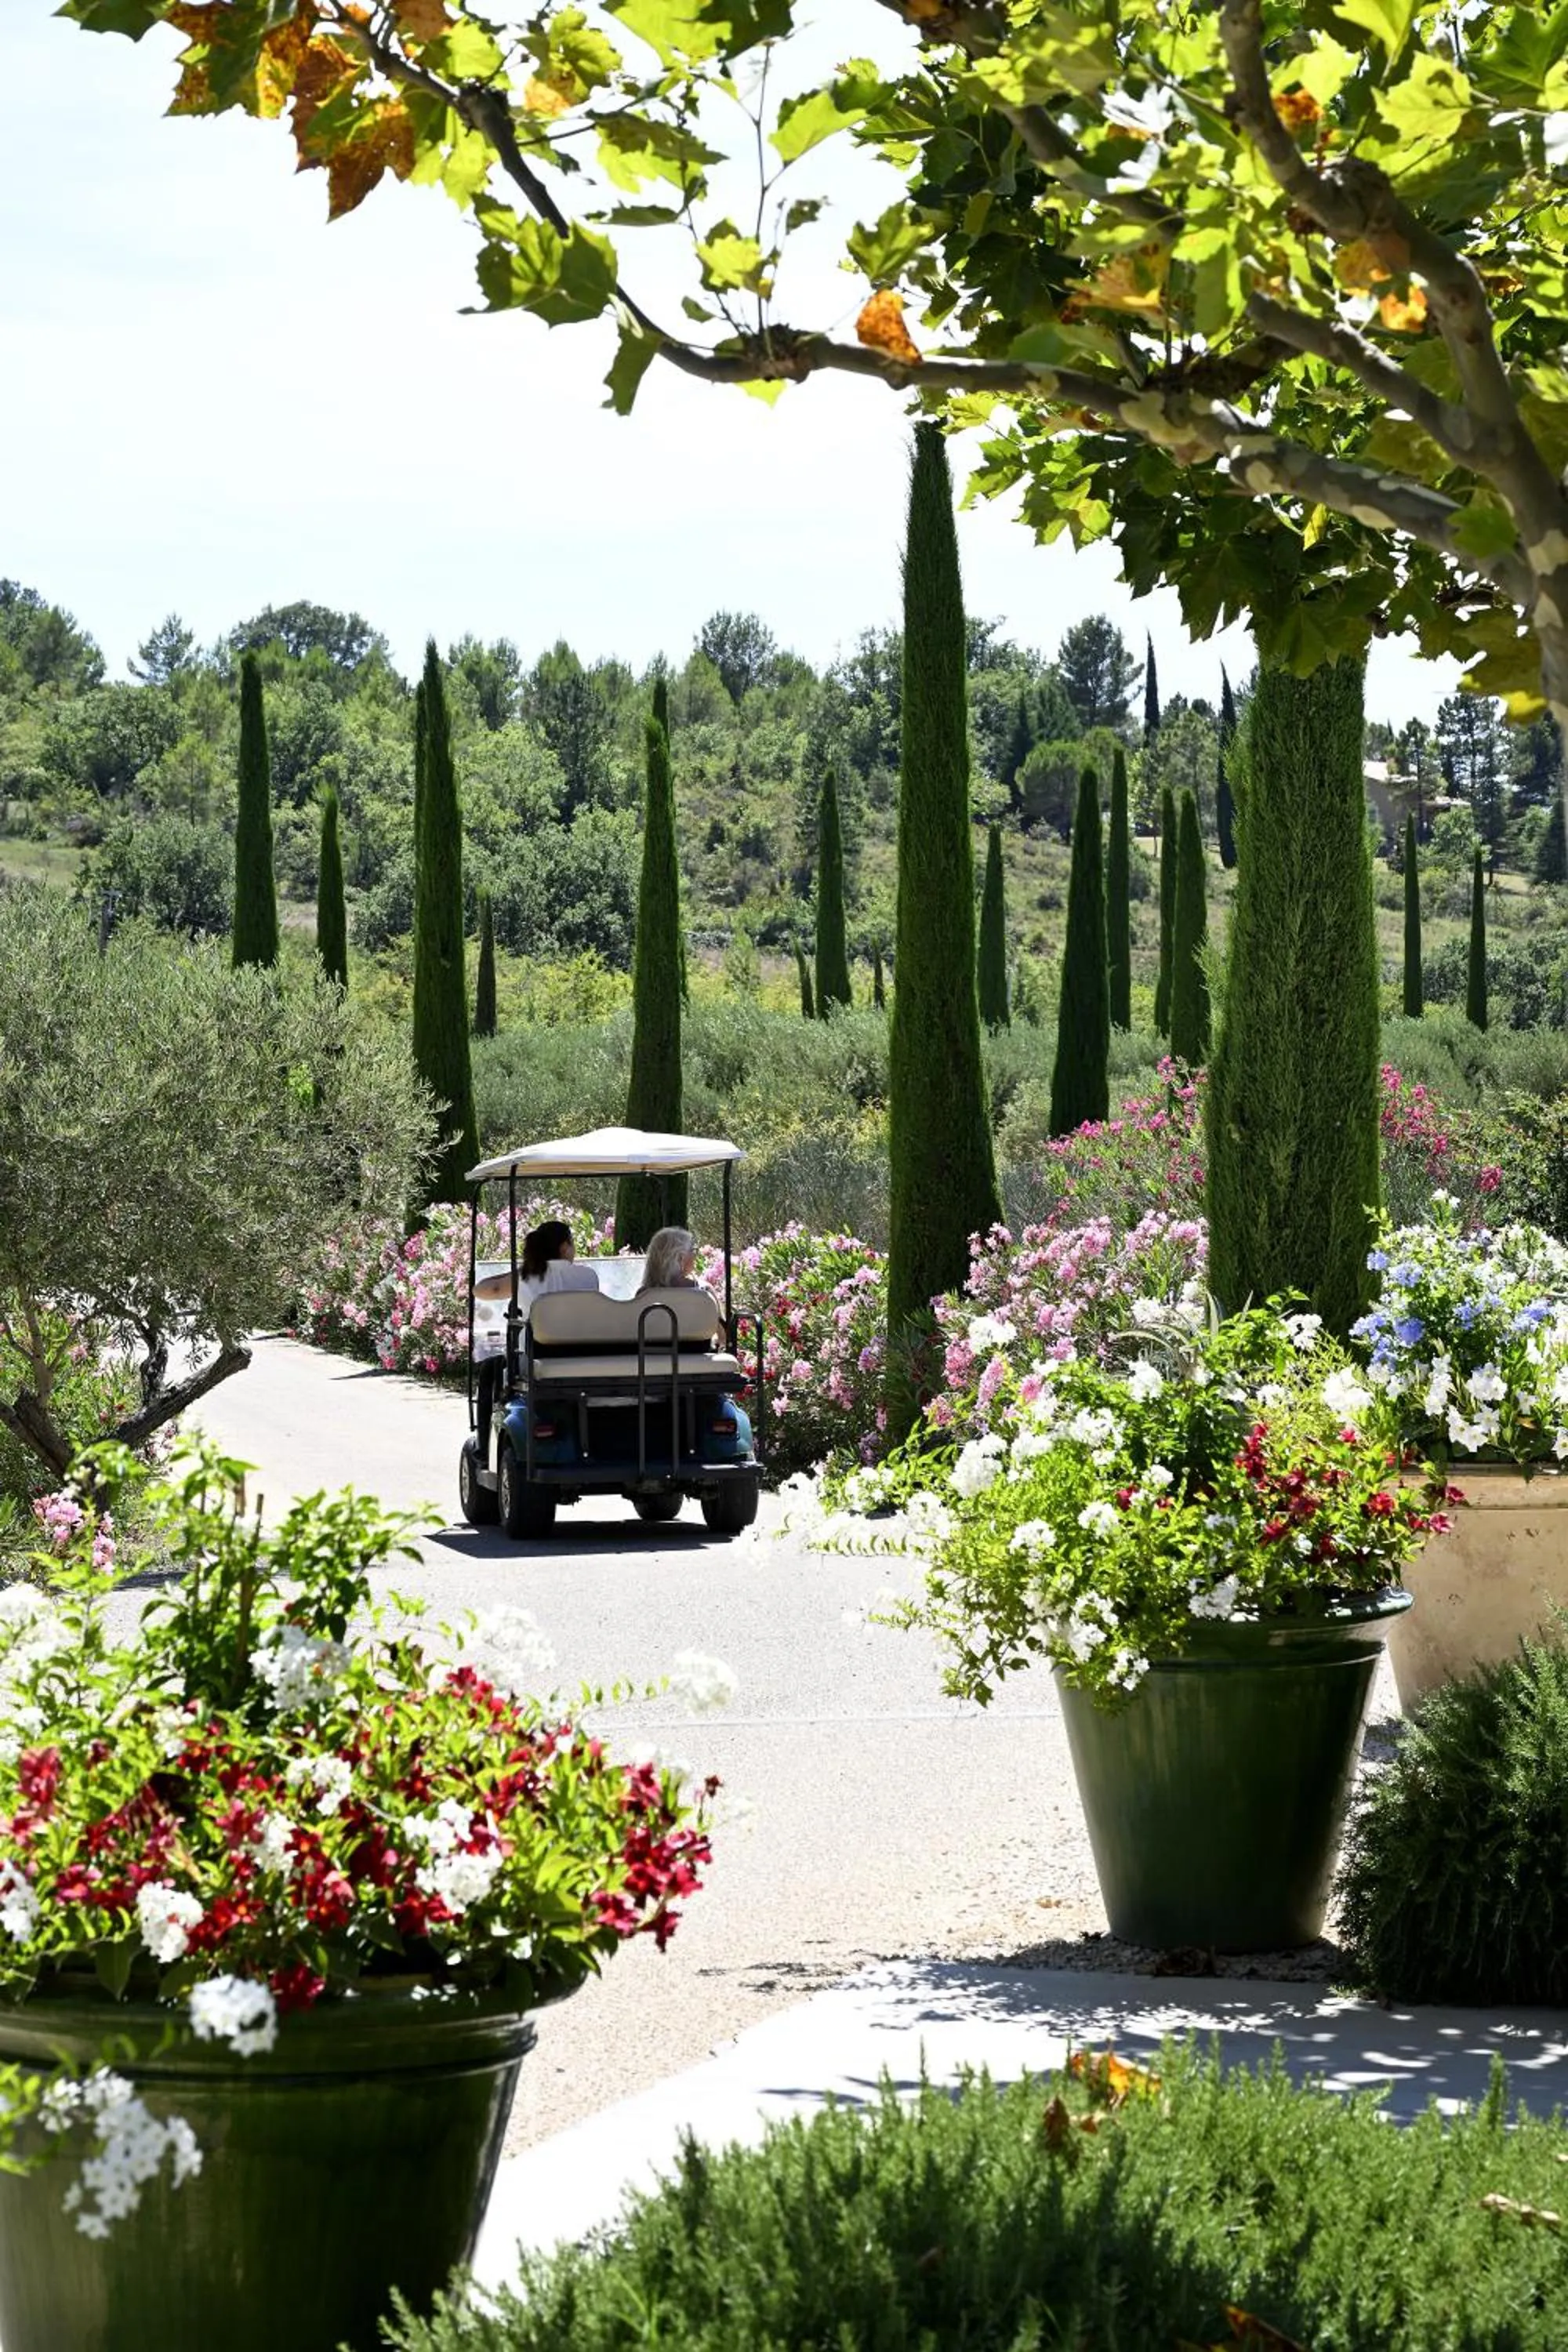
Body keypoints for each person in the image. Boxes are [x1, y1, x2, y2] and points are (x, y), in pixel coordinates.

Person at [638, 1227, 702, 1293]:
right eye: (692, 1250)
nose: (694, 1255)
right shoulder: (692, 1289)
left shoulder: (642, 1294)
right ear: (680, 1259)